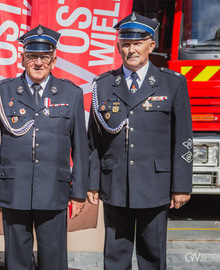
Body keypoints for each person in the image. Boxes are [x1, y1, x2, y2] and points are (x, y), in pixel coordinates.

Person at [87, 12, 193, 269]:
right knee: (114, 256)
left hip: (155, 184)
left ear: (151, 45)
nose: (131, 49)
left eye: (137, 43)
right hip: (116, 186)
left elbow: (183, 139)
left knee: (153, 256)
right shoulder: (103, 85)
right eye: (125, 44)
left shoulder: (172, 84)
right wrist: (92, 182)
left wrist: (181, 186)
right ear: (118, 46)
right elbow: (94, 140)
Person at [0, 25, 88, 270]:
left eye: (44, 57)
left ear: (54, 59)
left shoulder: (70, 93)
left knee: (54, 261)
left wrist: (79, 192)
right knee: (17, 262)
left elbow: (80, 147)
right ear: (22, 58)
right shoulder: (2, 91)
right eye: (32, 56)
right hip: (13, 191)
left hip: (54, 191)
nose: (38, 62)